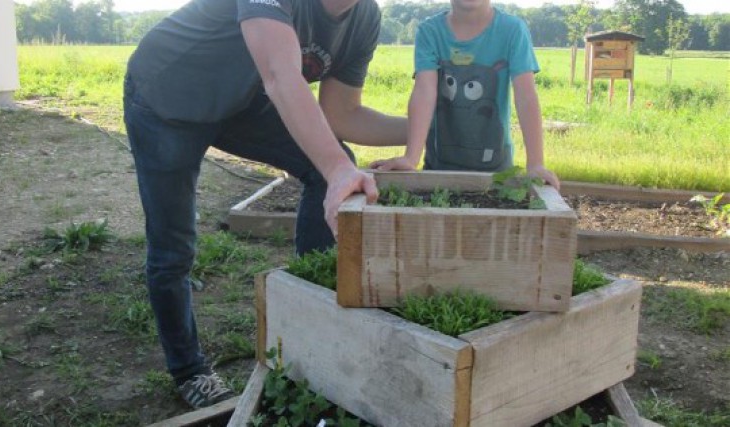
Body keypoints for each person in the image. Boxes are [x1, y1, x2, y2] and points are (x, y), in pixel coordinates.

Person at [123, 0, 405, 409]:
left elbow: (341, 114)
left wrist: (429, 127)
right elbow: (279, 74)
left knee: (326, 163)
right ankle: (189, 370)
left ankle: (309, 318)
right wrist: (339, 169)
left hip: (239, 102)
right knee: (174, 248)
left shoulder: (365, 16)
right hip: (169, 98)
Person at [370, 0, 559, 190]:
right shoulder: (430, 32)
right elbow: (424, 92)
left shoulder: (513, 30)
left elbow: (525, 95)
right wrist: (411, 158)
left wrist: (535, 164)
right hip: (438, 171)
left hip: (497, 173)